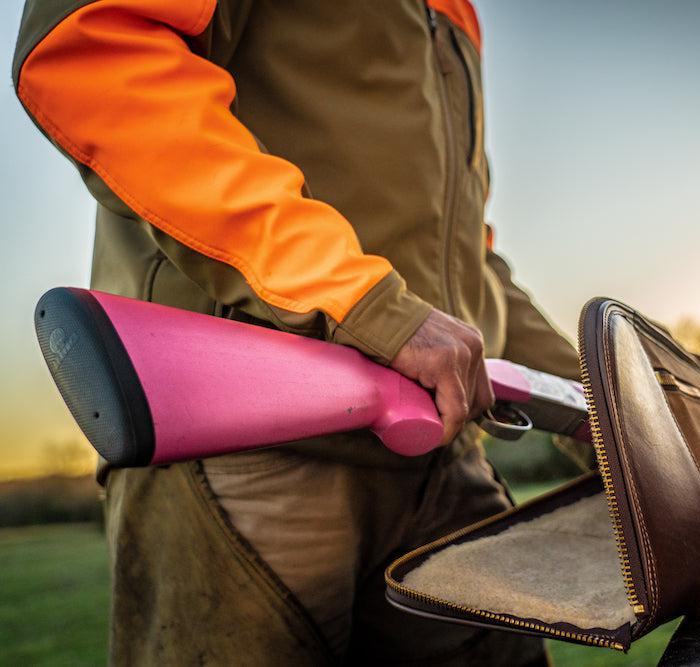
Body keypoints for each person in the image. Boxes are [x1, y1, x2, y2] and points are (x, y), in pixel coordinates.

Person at [13, 1, 582, 664]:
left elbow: (470, 270)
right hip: (248, 439)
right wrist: (361, 301)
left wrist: (604, 402)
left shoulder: (456, 13)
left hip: (443, 460)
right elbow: (92, 53)